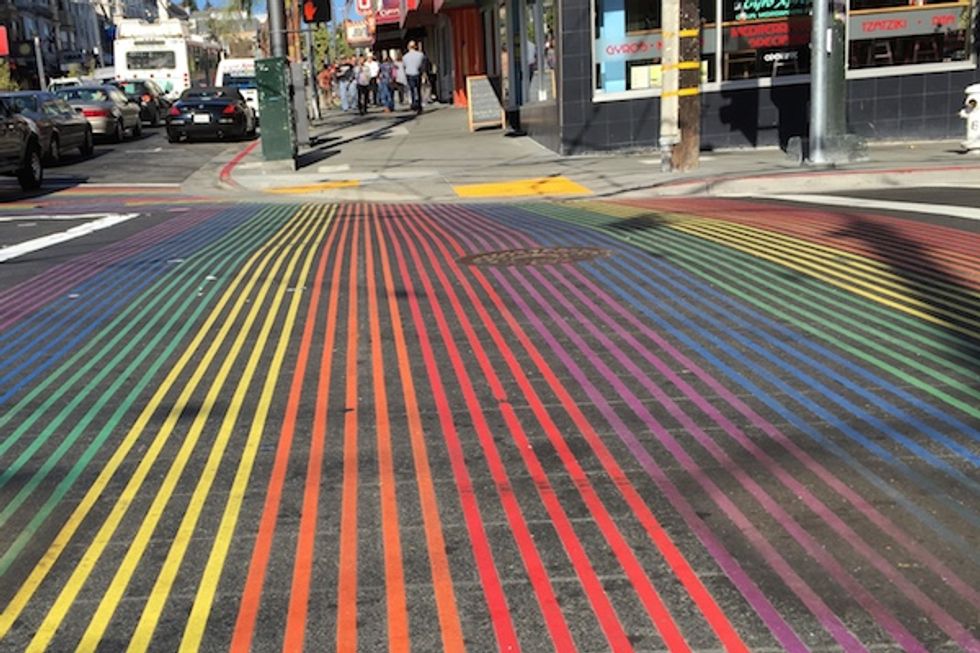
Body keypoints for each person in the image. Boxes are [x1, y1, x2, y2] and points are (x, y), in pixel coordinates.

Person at [402, 40, 426, 114]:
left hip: (409, 73)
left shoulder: (405, 57)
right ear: (415, 46)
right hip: (417, 73)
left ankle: (413, 104)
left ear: (408, 47)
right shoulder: (421, 55)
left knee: (412, 90)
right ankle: (419, 105)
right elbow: (423, 65)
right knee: (418, 90)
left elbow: (404, 66)